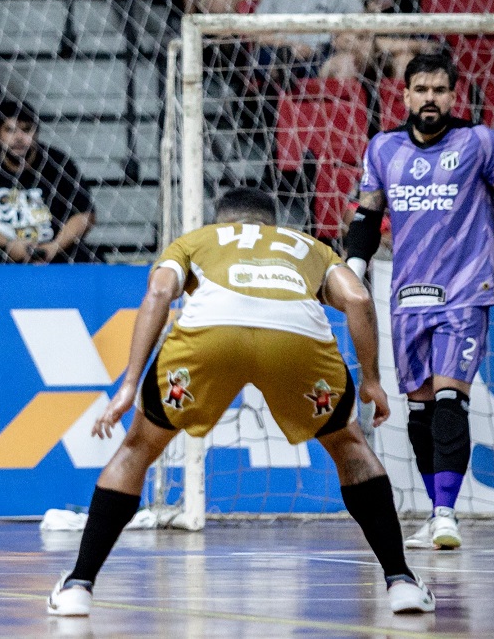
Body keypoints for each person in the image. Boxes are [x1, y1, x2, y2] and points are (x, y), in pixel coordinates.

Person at [47, 188, 436, 617]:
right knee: (350, 447)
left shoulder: (197, 240)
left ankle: (78, 586)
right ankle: (401, 582)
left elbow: (159, 295)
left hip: (210, 336)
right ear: (271, 222)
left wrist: (128, 384)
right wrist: (373, 381)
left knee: (137, 449)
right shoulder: (310, 247)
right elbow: (359, 300)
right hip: (297, 341)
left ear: (221, 220)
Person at [345, 53, 494, 550]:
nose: (430, 98)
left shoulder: (478, 143)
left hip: (466, 291)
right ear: (404, 95)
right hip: (407, 296)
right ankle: (436, 512)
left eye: (440, 90)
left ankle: (447, 513)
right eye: (421, 89)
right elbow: (368, 215)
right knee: (421, 409)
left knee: (451, 398)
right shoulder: (383, 149)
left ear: (454, 96)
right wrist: (354, 268)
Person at [0, 100, 95, 264]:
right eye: (10, 130)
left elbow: (85, 214)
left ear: (36, 133)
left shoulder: (58, 162)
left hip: (51, 248)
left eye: (26, 130)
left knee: (88, 259)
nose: (18, 138)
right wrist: (8, 244)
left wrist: (53, 247)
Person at [252, 0, 368, 82]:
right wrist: (291, 46)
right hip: (279, 51)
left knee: (346, 62)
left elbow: (361, 30)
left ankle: (330, 98)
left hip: (324, 53)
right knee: (269, 57)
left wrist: (341, 38)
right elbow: (257, 34)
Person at [348, 0, 436, 79]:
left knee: (404, 60)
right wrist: (368, 13)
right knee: (353, 59)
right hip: (369, 49)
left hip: (404, 43)